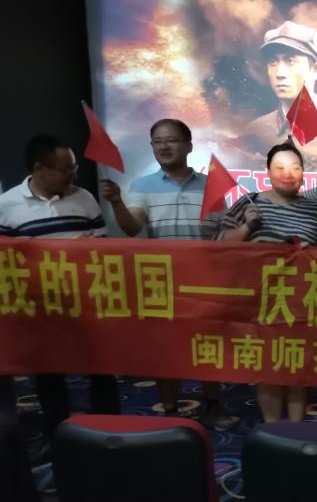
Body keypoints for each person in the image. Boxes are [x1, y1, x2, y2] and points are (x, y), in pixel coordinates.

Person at [100, 118, 236, 428]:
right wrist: (117, 202)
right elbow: (132, 227)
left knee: (207, 346)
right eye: (158, 141)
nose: (164, 146)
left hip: (204, 282)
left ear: (188, 146)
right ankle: (171, 410)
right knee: (166, 349)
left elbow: (224, 234)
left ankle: (213, 404)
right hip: (162, 282)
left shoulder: (211, 185)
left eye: (171, 140)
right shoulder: (141, 186)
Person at [0, 135, 119, 438]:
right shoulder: (7, 205)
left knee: (102, 371)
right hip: (41, 308)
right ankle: (59, 436)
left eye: (74, 168)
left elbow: (103, 248)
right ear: (39, 168)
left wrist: (88, 248)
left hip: (87, 303)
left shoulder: (85, 198)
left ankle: (110, 430)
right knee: (50, 377)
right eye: (66, 169)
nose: (73, 175)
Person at [217, 144, 317, 422]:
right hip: (262, 301)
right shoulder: (250, 203)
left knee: (298, 365)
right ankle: (272, 427)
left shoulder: (315, 211)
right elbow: (220, 246)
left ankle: (296, 429)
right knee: (269, 367)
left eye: (295, 168)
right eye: (280, 168)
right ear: (267, 172)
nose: (288, 174)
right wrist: (248, 227)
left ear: (303, 172)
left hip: (302, 301)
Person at [243, 21, 317, 168]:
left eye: (290, 61)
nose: (280, 73)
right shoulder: (255, 131)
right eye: (273, 62)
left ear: (316, 69)